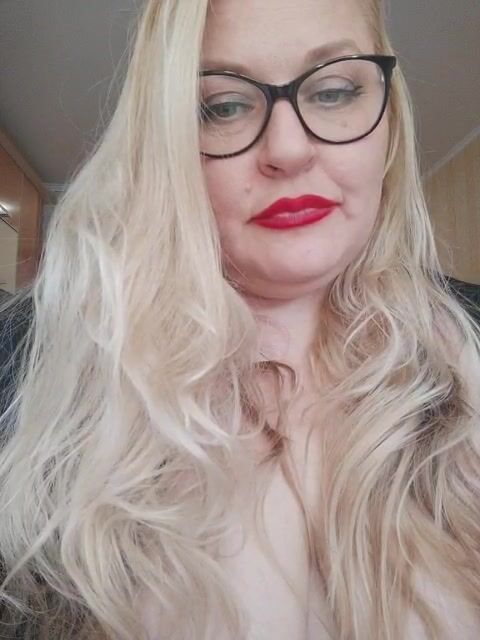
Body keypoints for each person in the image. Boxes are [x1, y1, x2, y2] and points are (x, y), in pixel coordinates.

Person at [0, 0, 479, 638]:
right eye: (223, 106)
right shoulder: (28, 372)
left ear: (390, 116)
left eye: (334, 92)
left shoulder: (468, 338)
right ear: (166, 139)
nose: (289, 149)